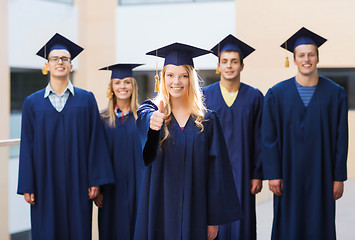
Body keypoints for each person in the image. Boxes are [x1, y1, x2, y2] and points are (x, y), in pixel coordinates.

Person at [134, 42, 243, 240]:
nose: (177, 81)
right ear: (162, 79)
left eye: (183, 75)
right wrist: (152, 123)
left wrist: (213, 219)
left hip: (197, 210)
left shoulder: (207, 120)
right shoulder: (152, 113)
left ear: (191, 79)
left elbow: (216, 173)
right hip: (160, 208)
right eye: (170, 75)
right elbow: (146, 150)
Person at [17, 33, 115, 240]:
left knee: (78, 230)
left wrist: (95, 180)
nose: (60, 62)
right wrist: (28, 184)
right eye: (55, 59)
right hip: (45, 181)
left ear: (71, 66)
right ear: (48, 65)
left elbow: (95, 141)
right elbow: (27, 145)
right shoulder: (32, 103)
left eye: (65, 59)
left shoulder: (86, 99)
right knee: (47, 231)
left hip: (78, 180)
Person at [262, 27, 348, 240]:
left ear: (317, 58)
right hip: (288, 172)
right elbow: (269, 137)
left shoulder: (335, 93)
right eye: (301, 55)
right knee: (289, 226)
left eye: (311, 54)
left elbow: (341, 138)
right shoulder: (276, 94)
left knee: (320, 225)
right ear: (294, 59)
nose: (306, 59)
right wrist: (273, 173)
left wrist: (338, 177)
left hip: (323, 172)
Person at [203, 34, 263, 240]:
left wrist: (257, 173)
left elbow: (260, 137)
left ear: (242, 66)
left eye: (234, 62)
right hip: (211, 172)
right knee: (213, 224)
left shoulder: (254, 97)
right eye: (225, 61)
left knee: (242, 225)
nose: (229, 66)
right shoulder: (204, 96)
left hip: (244, 172)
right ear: (219, 65)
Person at [94, 63, 144, 239]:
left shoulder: (143, 117)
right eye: (117, 82)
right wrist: (98, 187)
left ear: (133, 85)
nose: (122, 86)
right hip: (111, 188)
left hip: (140, 186)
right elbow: (97, 155)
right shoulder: (102, 119)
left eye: (126, 82)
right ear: (111, 88)